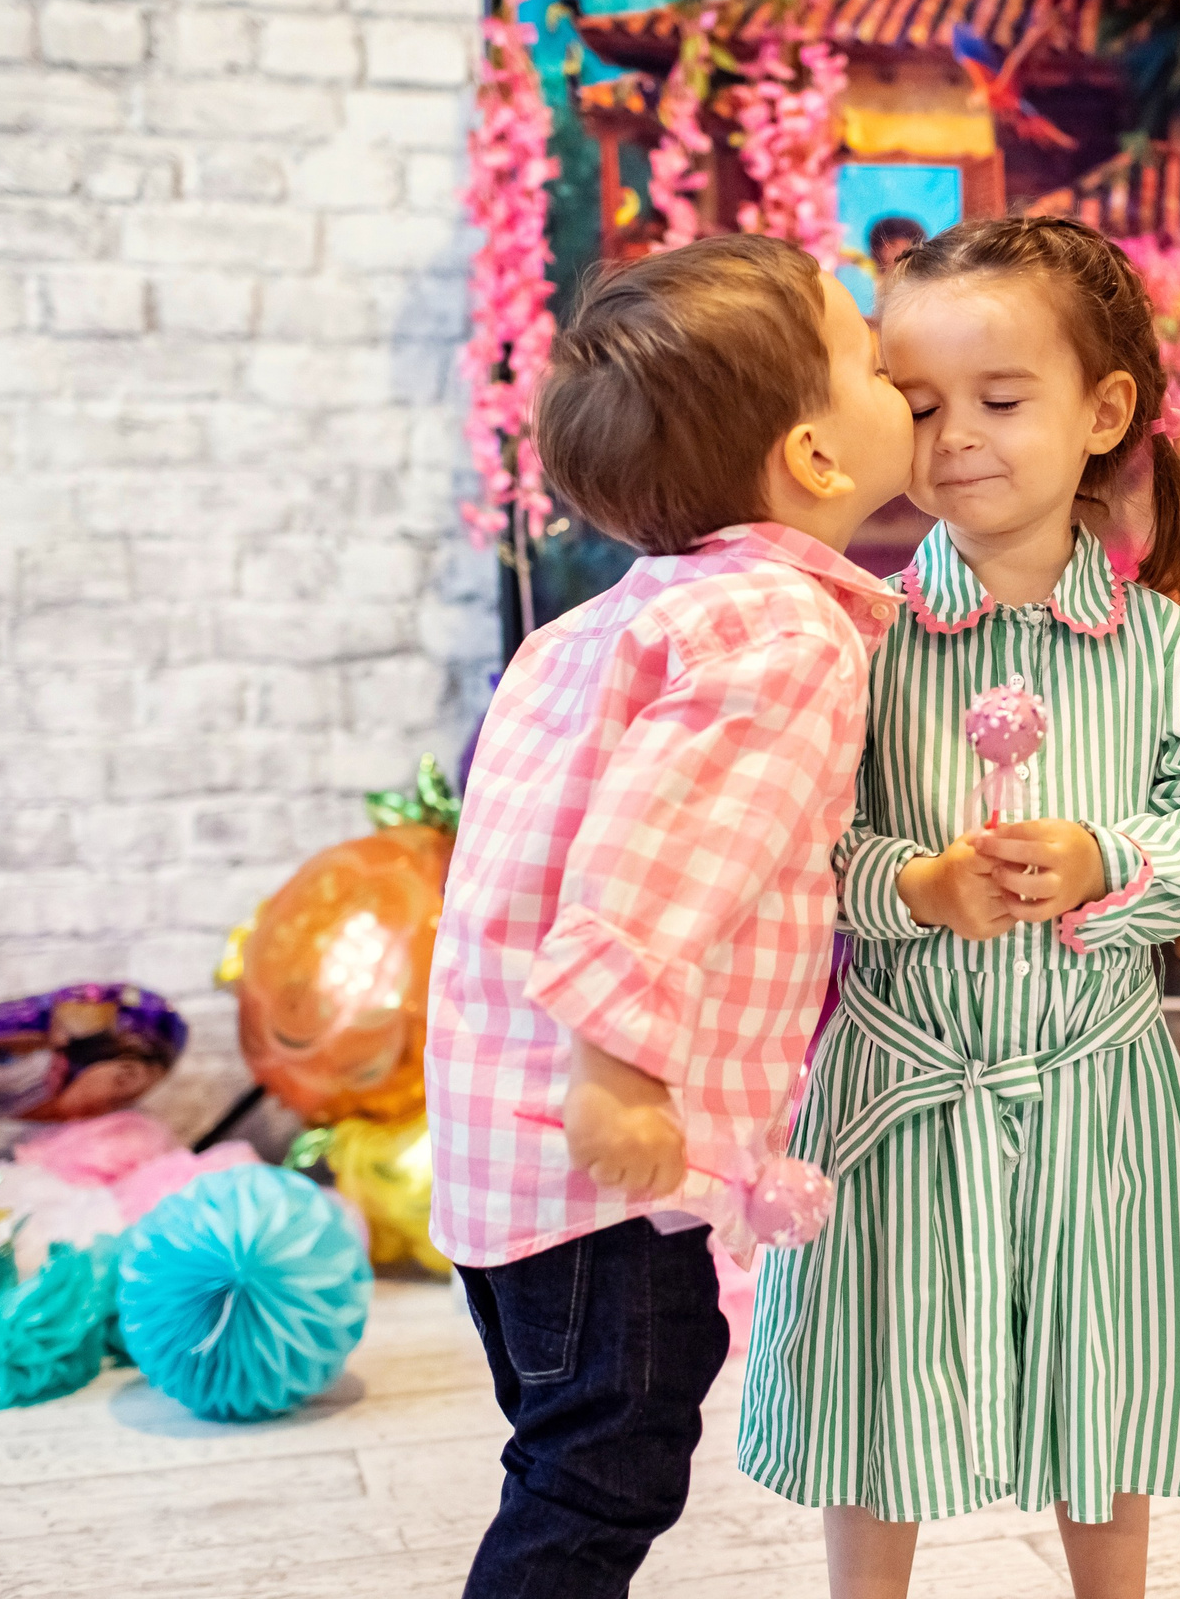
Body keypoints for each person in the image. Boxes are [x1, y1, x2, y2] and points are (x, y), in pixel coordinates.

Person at [737, 216, 1180, 1599]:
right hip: (905, 1082)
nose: (954, 436)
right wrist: (915, 884)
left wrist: (1106, 860)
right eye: (917, 406)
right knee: (880, 1375)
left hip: (1097, 1088)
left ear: (1106, 413)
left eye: (1000, 398)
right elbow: (799, 847)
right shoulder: (849, 637)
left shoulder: (1176, 654)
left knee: (1105, 1371)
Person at [425, 233, 915, 1599]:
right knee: (602, 1475)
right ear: (815, 457)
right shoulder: (780, 636)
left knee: (567, 1450)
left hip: (496, 1153)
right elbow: (652, 863)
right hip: (604, 1167)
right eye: (875, 362)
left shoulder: (603, 626)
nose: (909, 389)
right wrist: (620, 1071)